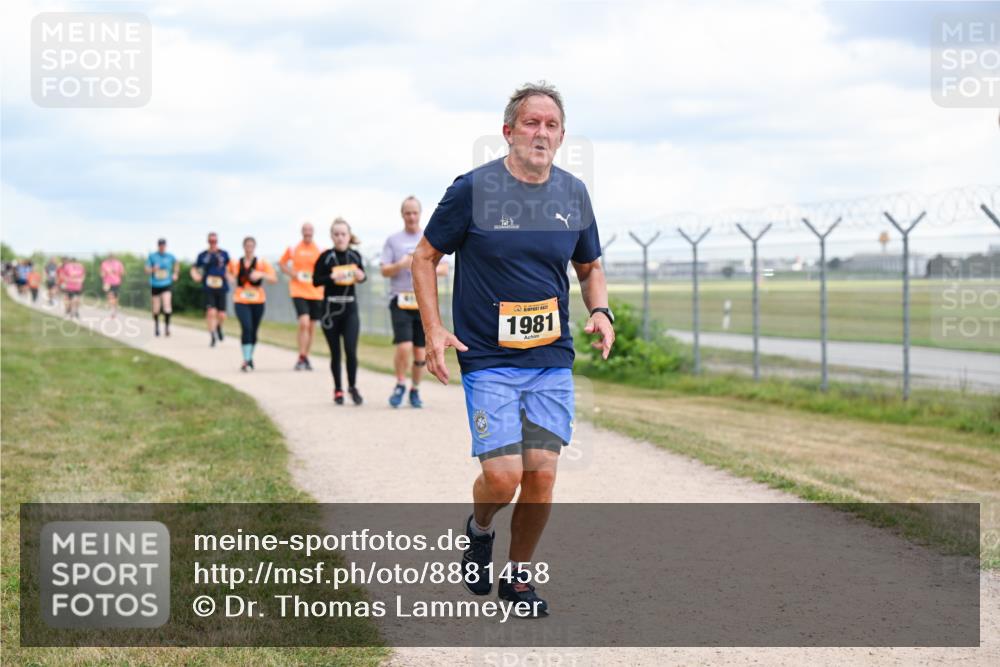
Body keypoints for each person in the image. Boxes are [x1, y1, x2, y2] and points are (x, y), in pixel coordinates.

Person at [411, 82, 615, 618]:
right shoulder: (473, 190)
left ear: (562, 135)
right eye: (531, 123)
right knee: (504, 476)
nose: (541, 133)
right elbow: (425, 257)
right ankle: (480, 529)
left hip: (549, 358)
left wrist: (600, 310)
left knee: (543, 472)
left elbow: (590, 267)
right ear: (508, 131)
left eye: (551, 125)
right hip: (488, 357)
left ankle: (518, 578)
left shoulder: (573, 194)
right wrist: (433, 329)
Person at [380, 196, 448, 408]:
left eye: (414, 212)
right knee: (404, 346)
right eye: (407, 213)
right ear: (402, 215)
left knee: (420, 352)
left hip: (423, 302)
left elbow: (445, 268)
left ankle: (415, 389)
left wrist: (423, 266)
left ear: (420, 214)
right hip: (400, 299)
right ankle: (400, 383)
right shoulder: (393, 240)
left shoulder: (428, 238)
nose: (411, 216)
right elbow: (384, 270)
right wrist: (402, 264)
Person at [313, 218, 367, 405]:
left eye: (343, 234)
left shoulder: (355, 256)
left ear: (349, 235)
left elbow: (362, 275)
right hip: (330, 309)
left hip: (350, 308)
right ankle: (338, 389)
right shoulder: (326, 257)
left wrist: (361, 276)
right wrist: (331, 277)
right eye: (336, 234)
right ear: (331, 236)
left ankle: (352, 386)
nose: (340, 237)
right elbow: (316, 280)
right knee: (335, 352)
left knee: (351, 350)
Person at [227, 236, 277, 371]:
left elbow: (273, 278)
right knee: (247, 327)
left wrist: (261, 274)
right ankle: (246, 360)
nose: (249, 248)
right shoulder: (236, 263)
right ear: (243, 247)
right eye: (247, 245)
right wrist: (230, 278)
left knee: (254, 330)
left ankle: (249, 357)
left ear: (254, 247)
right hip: (241, 299)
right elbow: (227, 272)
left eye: (251, 246)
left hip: (258, 300)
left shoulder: (262, 263)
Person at [280, 222, 324, 370]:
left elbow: (325, 267)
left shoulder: (320, 249)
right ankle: (301, 355)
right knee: (303, 322)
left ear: (313, 232)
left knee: (311, 326)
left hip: (316, 292)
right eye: (305, 230)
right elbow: (282, 263)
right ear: (301, 232)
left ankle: (306, 356)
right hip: (298, 290)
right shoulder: (293, 248)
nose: (308, 233)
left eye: (310, 230)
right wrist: (292, 273)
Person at [191, 232, 231, 347]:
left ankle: (218, 327)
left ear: (217, 241)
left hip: (221, 287)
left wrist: (230, 275)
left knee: (222, 314)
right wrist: (195, 275)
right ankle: (213, 335)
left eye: (215, 241)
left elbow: (229, 267)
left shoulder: (224, 254)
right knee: (211, 312)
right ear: (208, 241)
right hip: (208, 287)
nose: (213, 243)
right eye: (211, 241)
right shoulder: (203, 255)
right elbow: (194, 267)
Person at [145, 238, 179, 337]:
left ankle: (167, 327)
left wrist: (175, 273)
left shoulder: (170, 256)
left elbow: (176, 263)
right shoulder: (152, 256)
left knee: (167, 305)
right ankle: (156, 327)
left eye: (163, 245)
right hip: (155, 284)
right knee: (156, 308)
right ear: (158, 246)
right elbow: (146, 269)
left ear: (165, 246)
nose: (162, 247)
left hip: (166, 283)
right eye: (160, 245)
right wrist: (152, 269)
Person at [100, 253, 125, 318]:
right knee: (110, 296)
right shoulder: (104, 264)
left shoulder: (119, 263)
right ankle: (112, 311)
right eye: (110, 257)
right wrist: (104, 273)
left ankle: (114, 310)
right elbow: (102, 274)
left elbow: (122, 273)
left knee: (115, 298)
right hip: (107, 282)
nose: (111, 258)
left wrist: (115, 272)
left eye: (112, 257)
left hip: (116, 282)